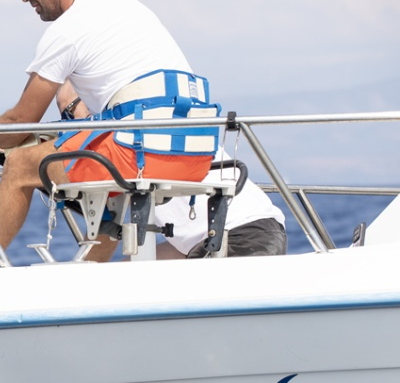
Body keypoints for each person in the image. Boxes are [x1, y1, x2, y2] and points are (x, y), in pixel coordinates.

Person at [0, 0, 222, 267]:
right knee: (103, 168)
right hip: (195, 153)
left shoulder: (67, 28)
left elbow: (20, 121)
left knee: (21, 166)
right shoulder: (131, 7)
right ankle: (89, 272)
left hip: (142, 152)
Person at [54, 81, 287, 259]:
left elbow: (104, 234)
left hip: (237, 236)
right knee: (127, 277)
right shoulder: (146, 124)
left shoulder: (122, 140)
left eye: (69, 110)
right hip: (248, 231)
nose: (68, 123)